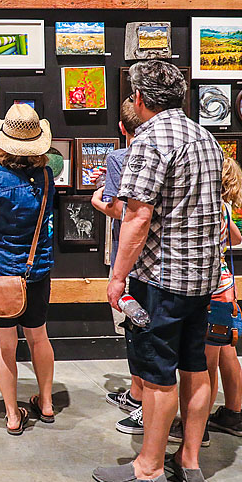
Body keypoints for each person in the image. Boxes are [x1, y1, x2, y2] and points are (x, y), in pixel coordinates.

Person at [93, 60, 223, 482]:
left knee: (155, 374)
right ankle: (189, 462)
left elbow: (137, 217)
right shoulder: (203, 136)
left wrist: (117, 277)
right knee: (196, 367)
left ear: (141, 100)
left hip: (161, 280)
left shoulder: (150, 139)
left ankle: (148, 469)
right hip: (202, 278)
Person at [0, 103, 56, 436]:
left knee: (5, 346)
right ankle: (46, 403)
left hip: (2, 274)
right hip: (38, 271)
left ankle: (13, 415)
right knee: (39, 337)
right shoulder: (47, 176)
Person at [170, 158, 242, 443]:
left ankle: (197, 427)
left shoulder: (205, 206)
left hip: (211, 294)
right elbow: (236, 239)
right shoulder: (224, 208)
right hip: (226, 293)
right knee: (221, 356)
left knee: (205, 366)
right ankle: (227, 417)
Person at [90, 98, 147, 435]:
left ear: (123, 129)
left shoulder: (119, 157)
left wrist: (99, 201)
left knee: (133, 326)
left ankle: (141, 401)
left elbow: (122, 212)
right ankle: (137, 393)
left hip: (128, 255)